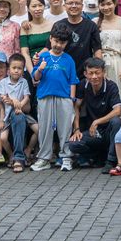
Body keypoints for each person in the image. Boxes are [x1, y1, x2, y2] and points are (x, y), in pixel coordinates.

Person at [30, 28, 78, 172]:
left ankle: (66, 157)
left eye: (62, 43)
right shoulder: (42, 56)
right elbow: (35, 78)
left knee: (65, 128)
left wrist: (72, 99)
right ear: (50, 39)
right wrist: (40, 69)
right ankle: (44, 158)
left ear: (66, 43)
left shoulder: (68, 59)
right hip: (45, 96)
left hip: (64, 97)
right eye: (56, 41)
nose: (58, 45)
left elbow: (73, 80)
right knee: (45, 128)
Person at [71, 55, 121, 169]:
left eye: (97, 73)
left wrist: (97, 121)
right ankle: (97, 156)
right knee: (73, 144)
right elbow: (76, 107)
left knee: (117, 121)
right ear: (85, 74)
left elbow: (118, 110)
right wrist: (76, 129)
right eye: (91, 73)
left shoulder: (111, 86)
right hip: (93, 132)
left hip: (108, 130)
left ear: (103, 72)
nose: (94, 77)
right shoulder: (83, 85)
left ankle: (110, 160)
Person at [51, 0, 99, 75]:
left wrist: (98, 69)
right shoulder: (58, 25)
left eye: (77, 3)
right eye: (70, 3)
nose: (74, 6)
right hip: (61, 72)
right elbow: (49, 48)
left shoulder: (91, 25)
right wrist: (38, 57)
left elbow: (97, 50)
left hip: (84, 74)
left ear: (82, 6)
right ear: (64, 6)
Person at [93, 0, 121, 92]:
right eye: (102, 4)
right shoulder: (94, 23)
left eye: (109, 4)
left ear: (115, 3)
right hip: (100, 64)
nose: (106, 7)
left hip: (119, 63)